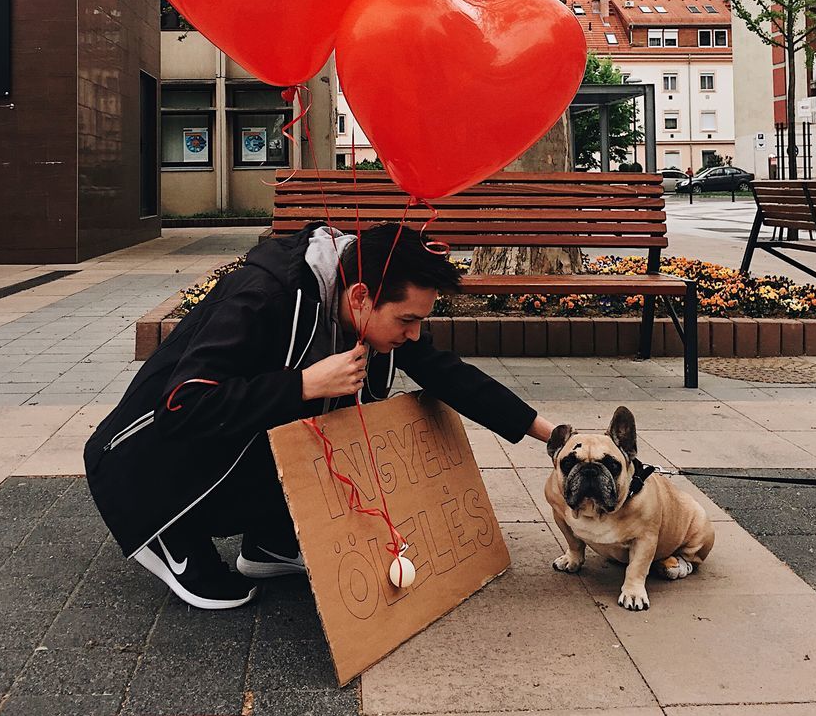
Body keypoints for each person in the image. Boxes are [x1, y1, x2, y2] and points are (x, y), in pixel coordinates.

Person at [84, 220, 555, 610]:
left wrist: (550, 434)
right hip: (141, 463)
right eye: (407, 320)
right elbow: (182, 407)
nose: (413, 335)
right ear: (361, 298)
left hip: (229, 442)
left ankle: (268, 540)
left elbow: (446, 374)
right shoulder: (263, 293)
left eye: (420, 322)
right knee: (299, 404)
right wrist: (304, 384)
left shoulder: (374, 305)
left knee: (334, 425)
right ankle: (168, 529)